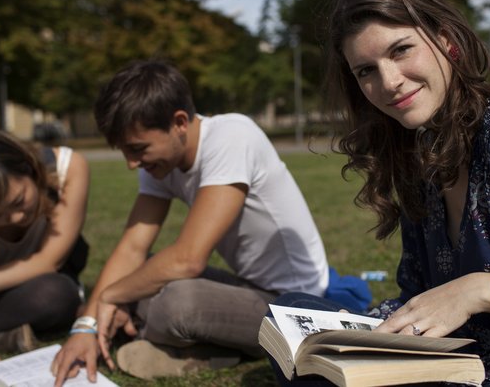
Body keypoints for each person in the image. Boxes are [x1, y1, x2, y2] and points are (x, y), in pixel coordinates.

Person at [266, 0, 490, 385]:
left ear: (445, 40)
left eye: (401, 50)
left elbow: (463, 298)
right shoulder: (420, 151)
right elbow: (420, 294)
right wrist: (363, 328)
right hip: (453, 358)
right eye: (366, 70)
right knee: (290, 315)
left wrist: (486, 290)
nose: (389, 82)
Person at [51, 60, 331, 384]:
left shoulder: (231, 136)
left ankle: (207, 351)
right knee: (147, 274)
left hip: (296, 305)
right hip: (249, 289)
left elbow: (188, 260)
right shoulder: (162, 164)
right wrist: (85, 326)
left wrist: (110, 297)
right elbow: (132, 248)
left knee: (176, 303)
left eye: (138, 148)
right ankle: (199, 342)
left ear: (179, 122)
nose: (131, 164)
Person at [0, 127, 90, 365]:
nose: (15, 218)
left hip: (33, 285)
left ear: (29, 168)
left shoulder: (68, 167)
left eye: (18, 201)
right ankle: (2, 335)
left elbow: (48, 261)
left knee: (58, 296)